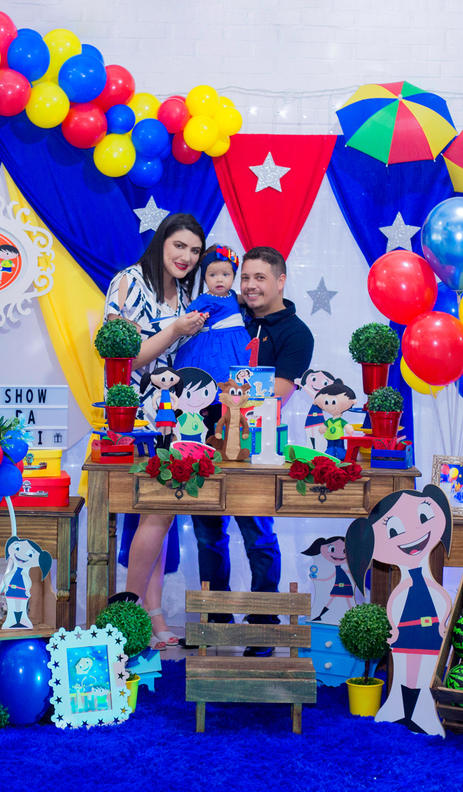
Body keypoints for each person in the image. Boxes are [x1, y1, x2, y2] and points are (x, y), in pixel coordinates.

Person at [191, 246, 314, 657]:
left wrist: (219, 389)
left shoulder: (296, 333)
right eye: (245, 277)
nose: (249, 285)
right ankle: (216, 621)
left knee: (257, 536)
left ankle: (263, 625)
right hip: (207, 442)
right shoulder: (230, 314)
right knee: (207, 535)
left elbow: (277, 393)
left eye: (260, 277)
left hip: (259, 450)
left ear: (281, 281)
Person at [105, 213, 206, 650]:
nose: (187, 257)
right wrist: (174, 330)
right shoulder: (128, 283)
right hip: (134, 418)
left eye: (195, 251)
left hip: (172, 417)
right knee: (157, 511)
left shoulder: (184, 294)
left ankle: (152, 613)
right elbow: (124, 358)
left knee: (161, 512)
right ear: (162, 241)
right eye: (179, 245)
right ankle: (128, 612)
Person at [173, 245, 251, 386]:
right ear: (204, 278)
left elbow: (244, 300)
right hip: (217, 347)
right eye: (212, 275)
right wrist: (198, 319)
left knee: (241, 377)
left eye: (225, 274)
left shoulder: (232, 295)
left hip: (238, 344)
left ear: (234, 277)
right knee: (221, 377)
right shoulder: (205, 300)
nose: (219, 280)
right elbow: (190, 316)